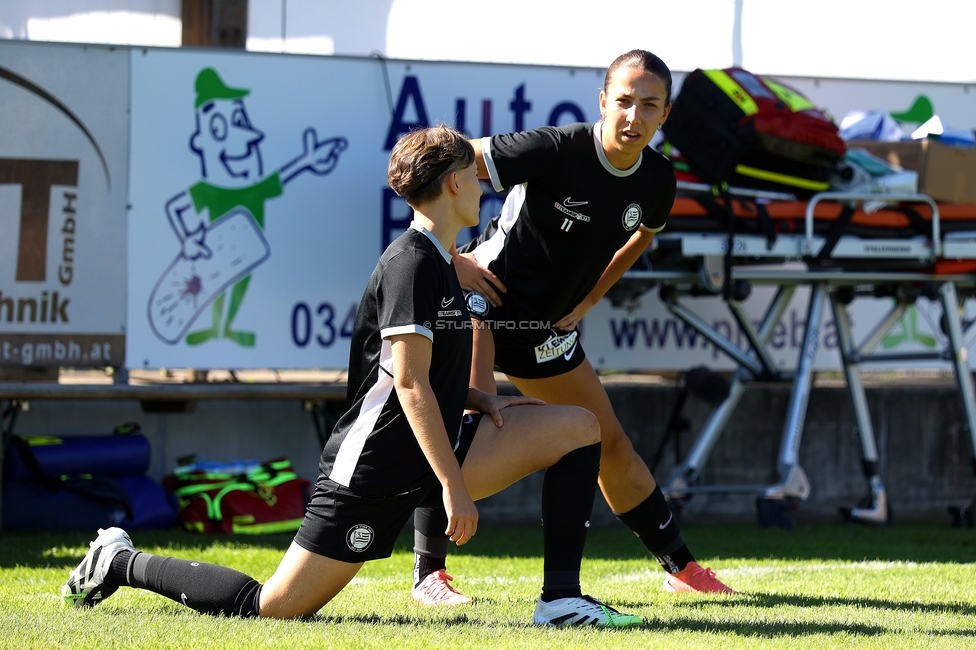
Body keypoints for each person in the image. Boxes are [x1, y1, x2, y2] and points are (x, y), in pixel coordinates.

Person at [60, 126, 643, 628]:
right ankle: (119, 561)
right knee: (275, 608)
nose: (485, 184)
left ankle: (561, 600)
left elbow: (414, 376)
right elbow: (409, 386)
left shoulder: (445, 262)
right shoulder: (413, 263)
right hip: (376, 466)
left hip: (428, 450)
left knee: (579, 427)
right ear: (452, 184)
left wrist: (474, 397)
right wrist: (454, 487)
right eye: (475, 173)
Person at [409, 50, 735, 606]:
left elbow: (641, 239)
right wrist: (454, 260)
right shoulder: (554, 148)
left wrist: (588, 299)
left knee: (610, 442)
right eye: (624, 101)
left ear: (665, 115)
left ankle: (680, 566)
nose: (634, 116)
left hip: (545, 331)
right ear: (604, 101)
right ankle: (428, 575)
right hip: (481, 308)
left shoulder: (657, 179)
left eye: (648, 106)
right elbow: (442, 169)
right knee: (460, 434)